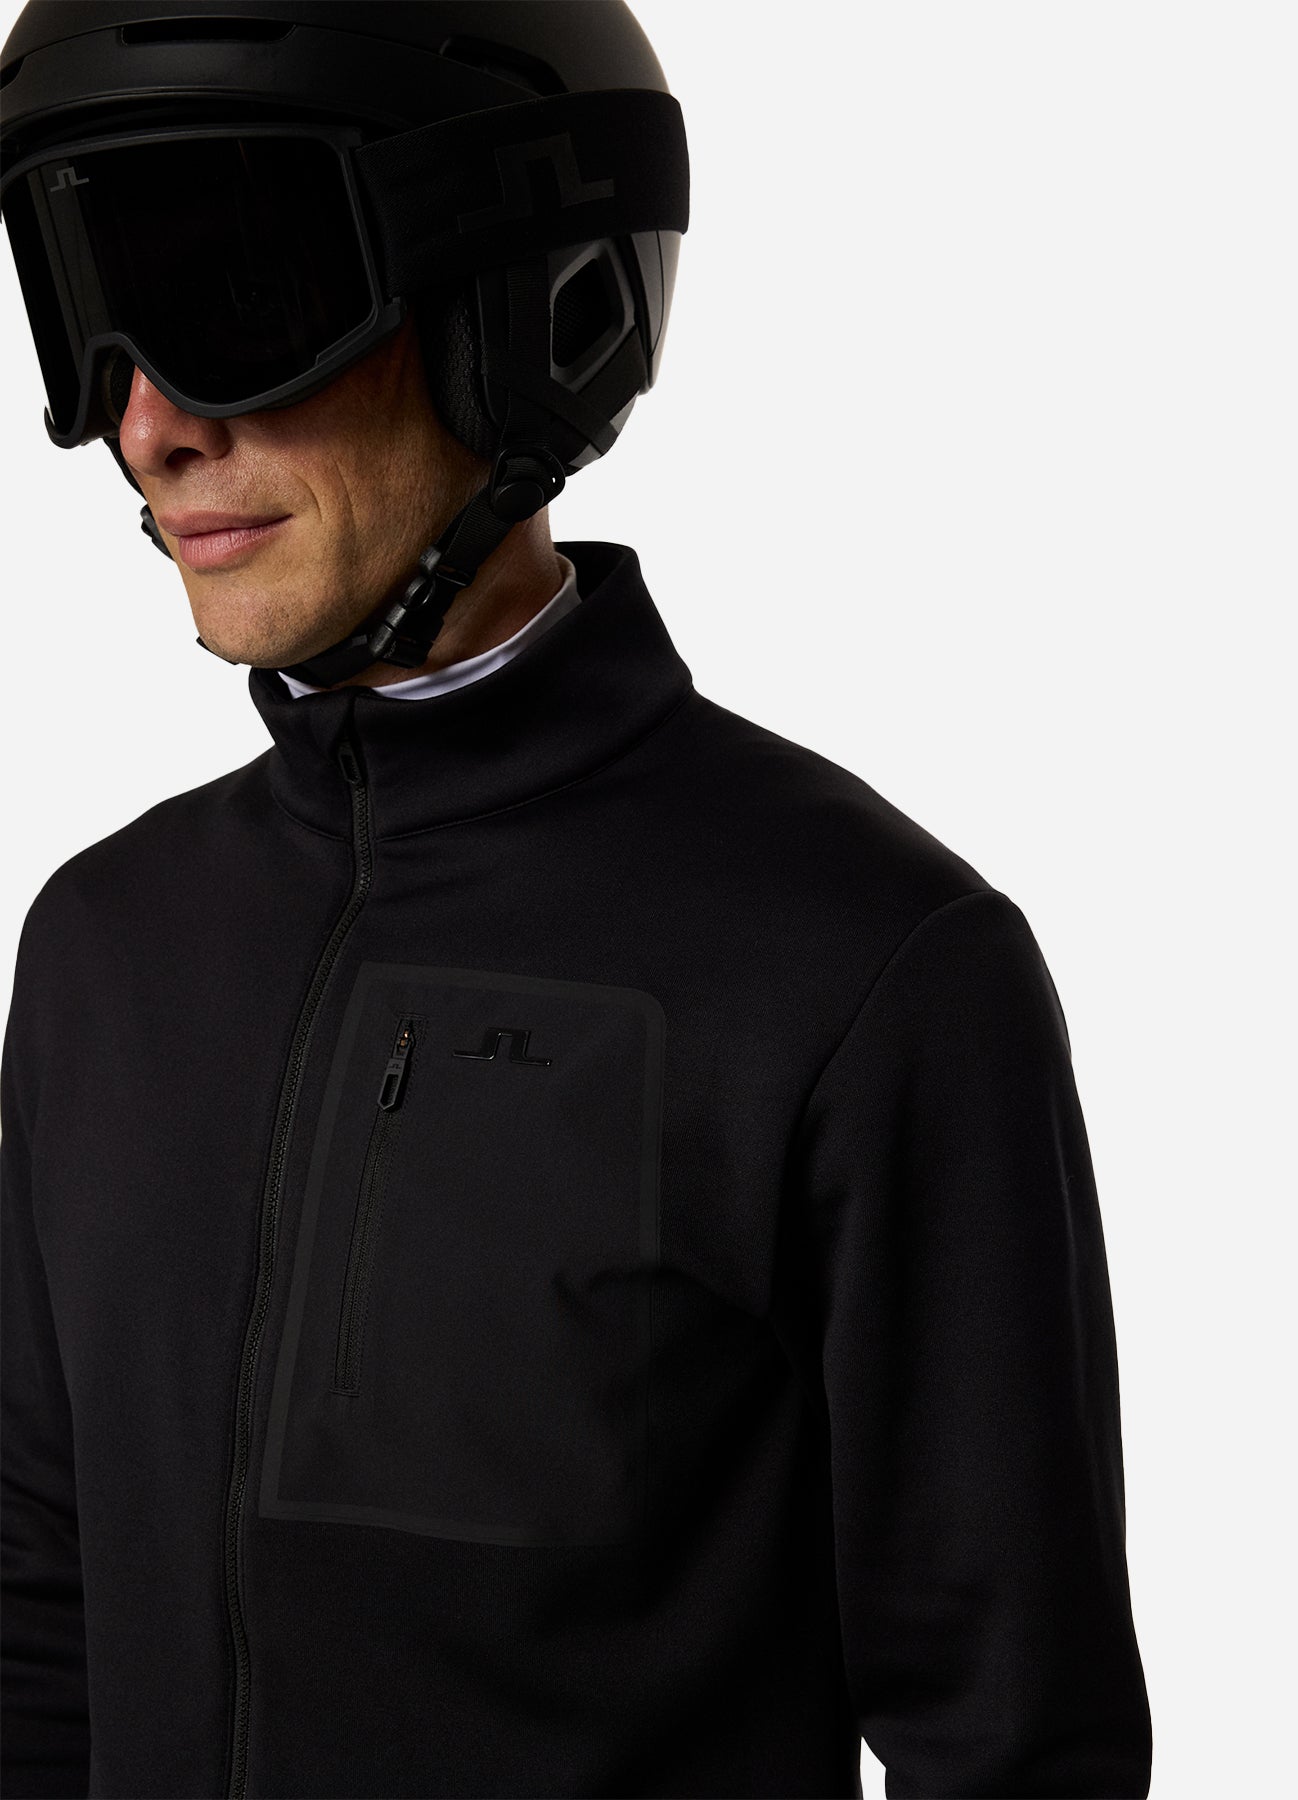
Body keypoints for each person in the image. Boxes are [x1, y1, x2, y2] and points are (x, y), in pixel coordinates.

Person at [0, 3, 1152, 1796]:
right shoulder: (103, 944)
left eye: (233, 296)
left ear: (532, 313)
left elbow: (1012, 1748)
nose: (147, 427)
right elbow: (35, 1618)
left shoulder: (868, 970)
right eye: (85, 311)